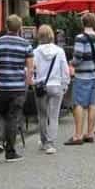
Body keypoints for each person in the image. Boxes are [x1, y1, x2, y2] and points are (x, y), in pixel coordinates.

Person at [0, 15, 34, 162]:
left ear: (6, 26)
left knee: (0, 115)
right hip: (18, 87)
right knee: (13, 118)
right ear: (20, 28)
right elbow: (30, 68)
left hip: (3, 87)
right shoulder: (26, 44)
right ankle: (10, 152)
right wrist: (26, 83)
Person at [32, 25, 69, 155]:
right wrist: (65, 85)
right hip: (56, 85)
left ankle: (43, 141)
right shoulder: (59, 51)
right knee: (54, 116)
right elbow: (65, 70)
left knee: (42, 115)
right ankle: (51, 143)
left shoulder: (35, 52)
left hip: (41, 86)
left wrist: (33, 81)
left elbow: (32, 70)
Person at [67, 12, 95, 146]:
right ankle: (90, 133)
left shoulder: (80, 38)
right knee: (92, 104)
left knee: (79, 104)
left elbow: (78, 57)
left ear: (82, 23)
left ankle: (78, 135)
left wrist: (71, 63)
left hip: (82, 75)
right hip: (94, 74)